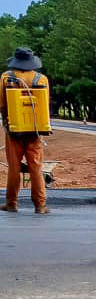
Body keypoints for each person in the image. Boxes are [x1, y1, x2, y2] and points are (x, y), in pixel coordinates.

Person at [0, 47, 50, 214]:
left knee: (14, 168)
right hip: (35, 131)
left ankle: (12, 203)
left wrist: (7, 121)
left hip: (13, 131)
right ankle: (40, 205)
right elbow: (44, 106)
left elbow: (1, 104)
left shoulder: (6, 78)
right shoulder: (41, 79)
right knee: (36, 167)